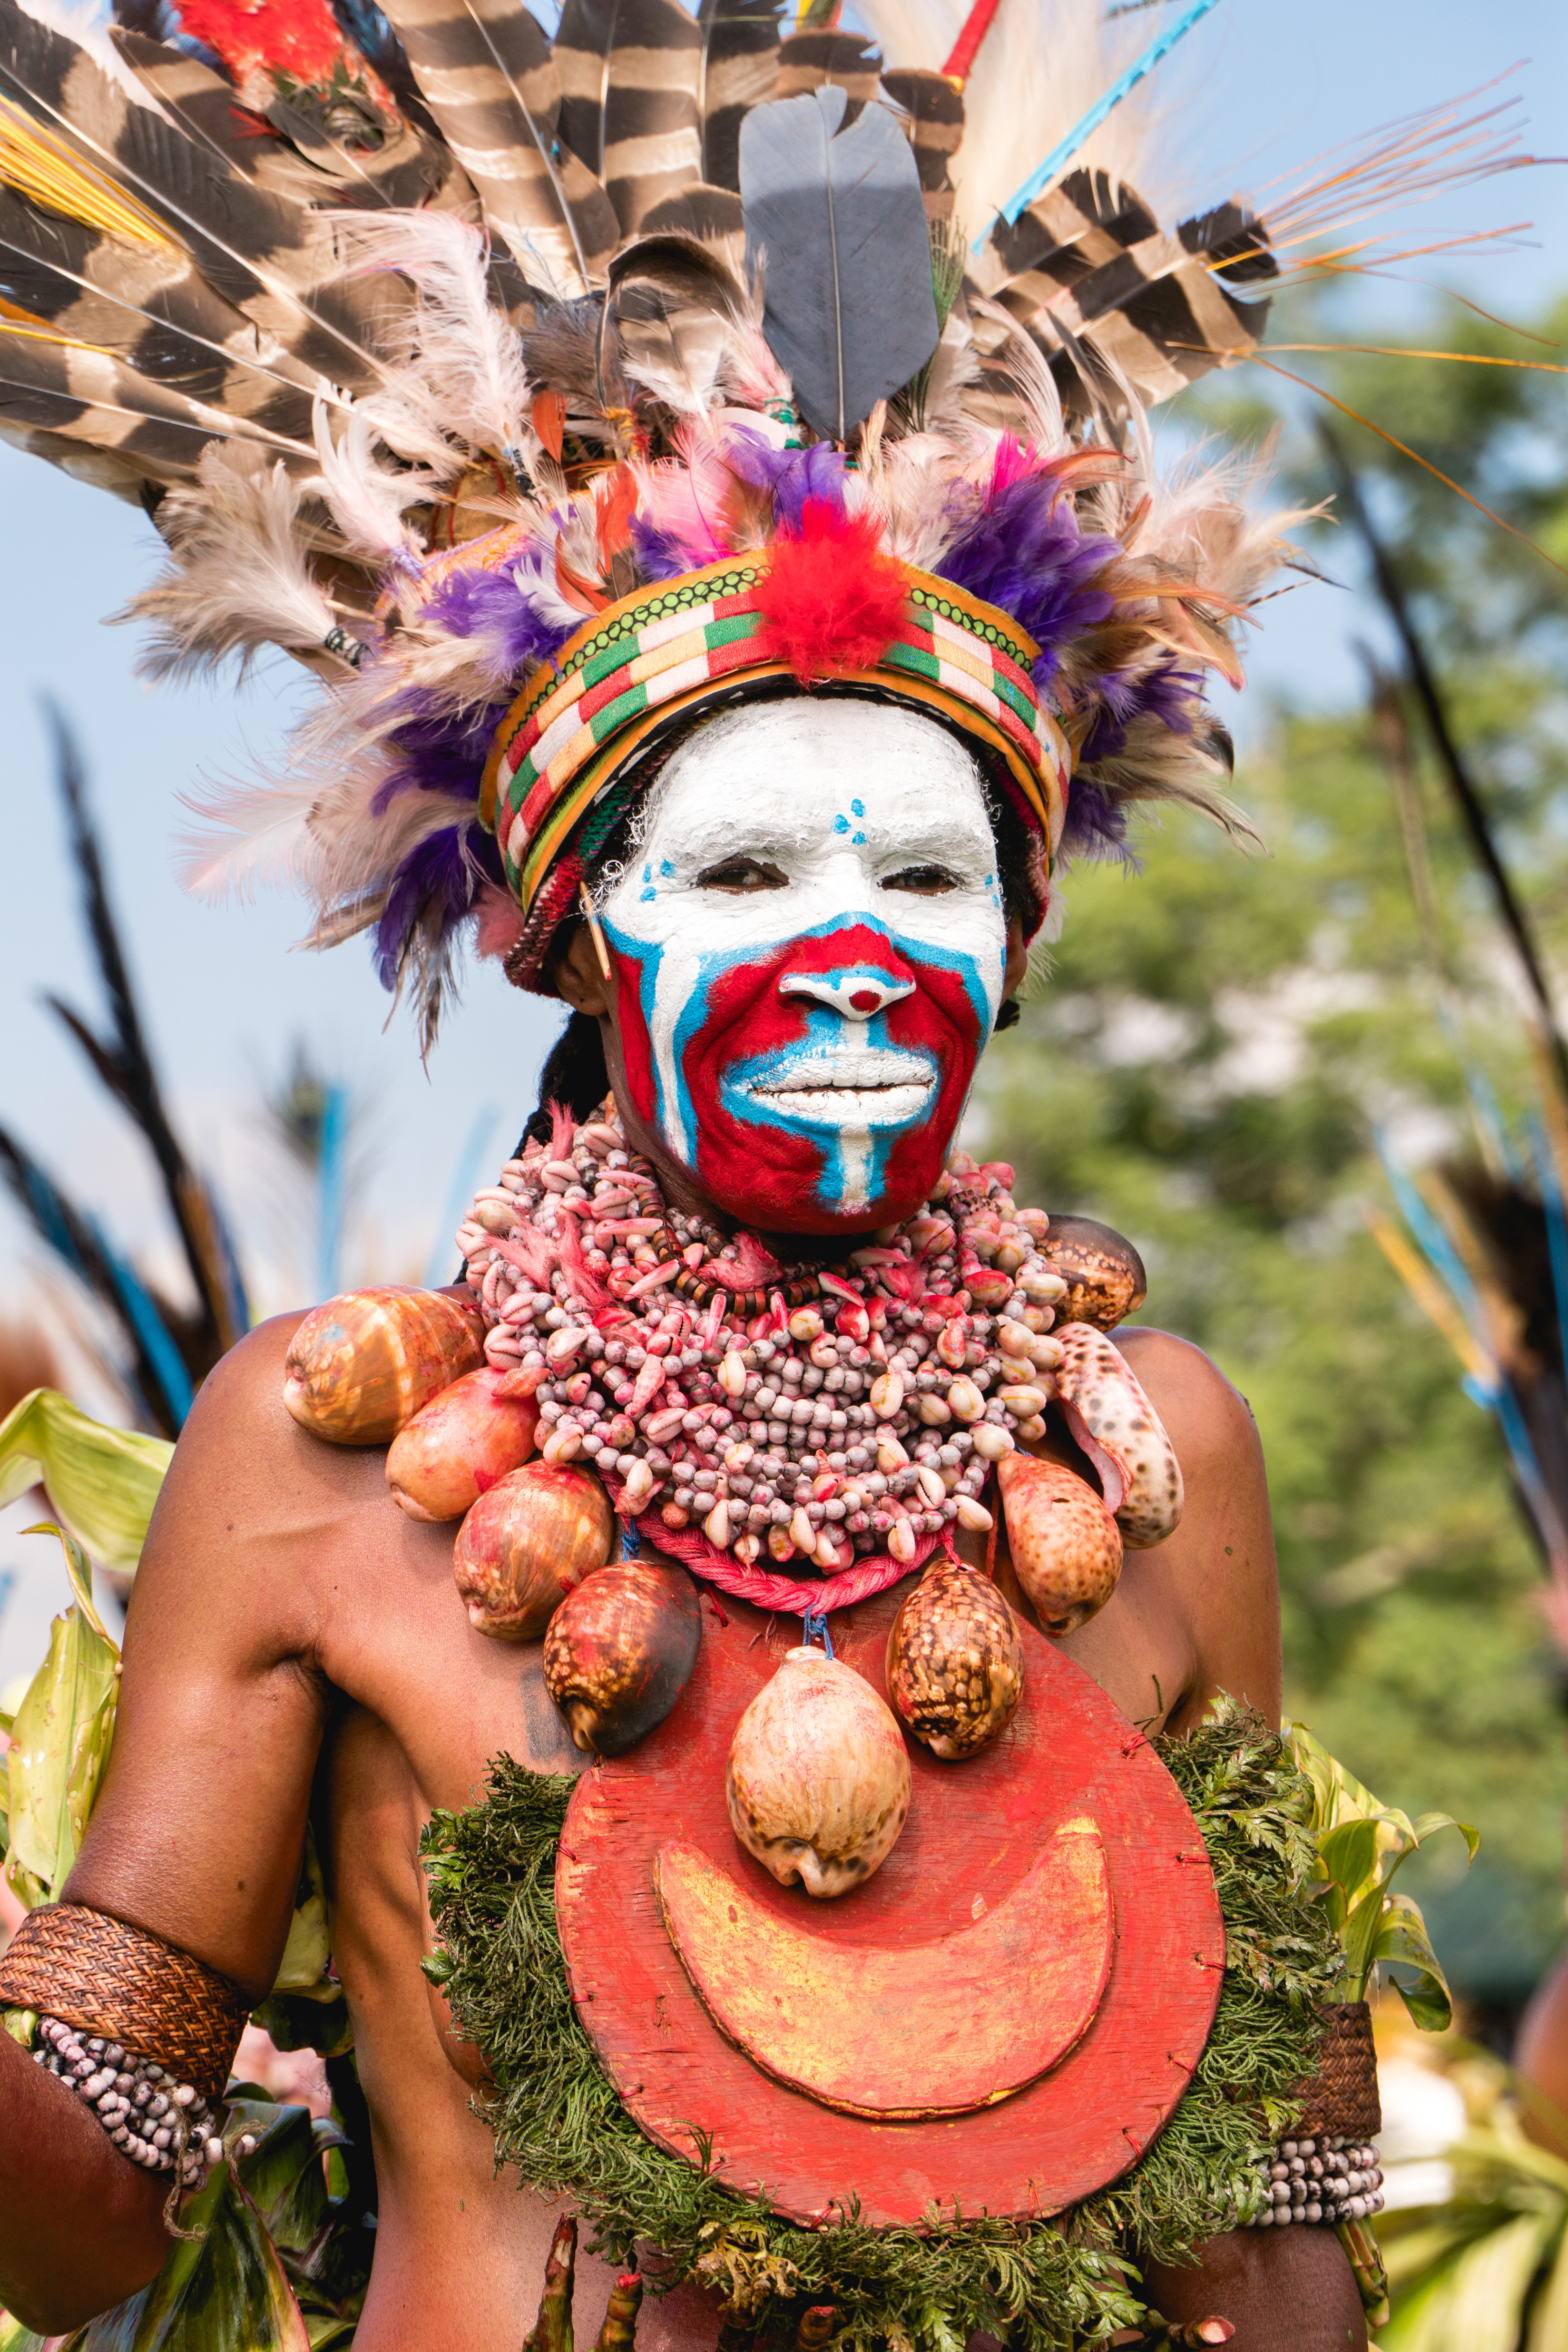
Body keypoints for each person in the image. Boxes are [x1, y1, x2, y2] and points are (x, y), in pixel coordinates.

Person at [0, 0, 1396, 2342]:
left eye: (925, 877)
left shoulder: (1154, 1455)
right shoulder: (332, 1462)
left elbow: (1277, 2237)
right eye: (746, 867)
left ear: (1024, 933)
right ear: (577, 924)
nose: (847, 952)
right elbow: (74, 2226)